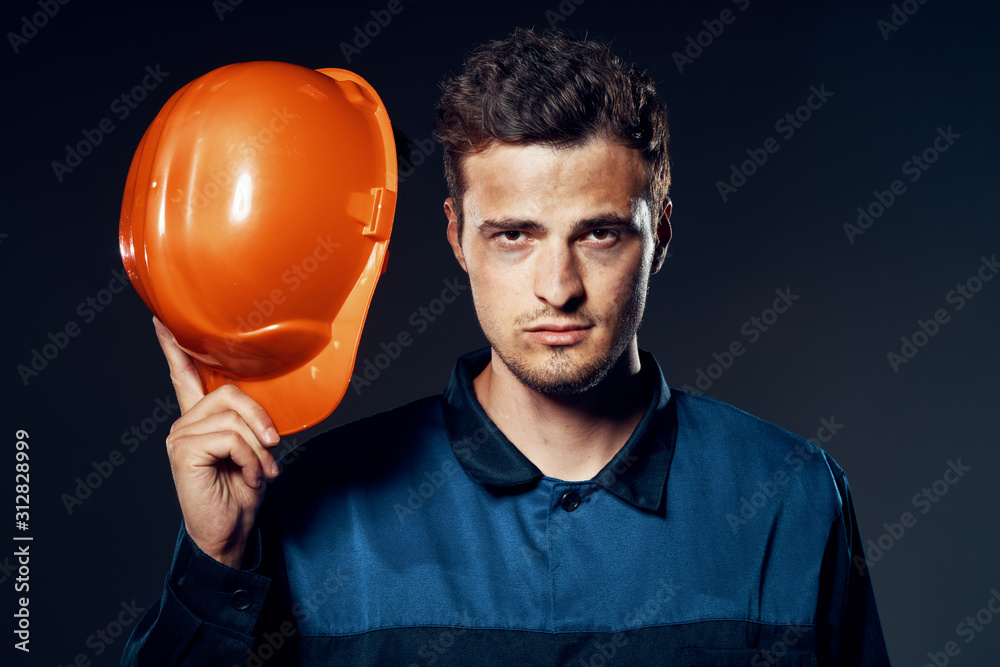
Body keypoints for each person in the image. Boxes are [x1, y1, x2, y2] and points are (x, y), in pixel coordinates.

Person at [122, 28, 891, 666]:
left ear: (660, 237)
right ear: (458, 237)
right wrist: (211, 562)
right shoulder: (319, 506)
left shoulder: (790, 497)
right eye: (515, 235)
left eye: (599, 233)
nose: (558, 287)